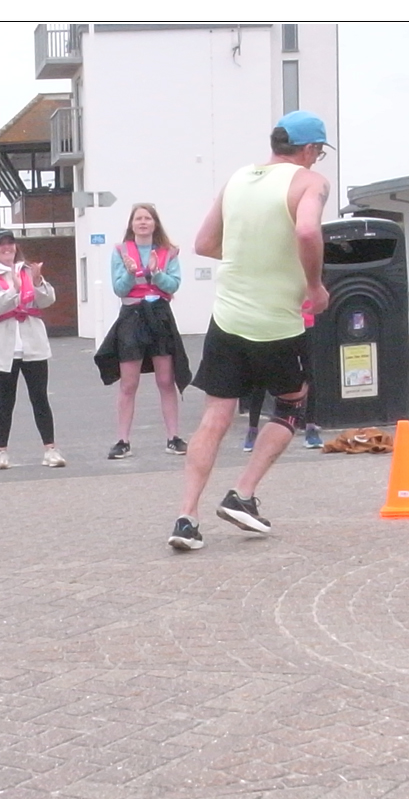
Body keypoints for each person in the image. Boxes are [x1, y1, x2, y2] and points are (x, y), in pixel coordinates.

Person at [168, 110, 332, 551]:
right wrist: (314, 285)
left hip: (227, 318)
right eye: (318, 152)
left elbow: (204, 244)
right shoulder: (309, 183)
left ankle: (186, 517)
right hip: (276, 321)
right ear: (311, 149)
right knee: (293, 404)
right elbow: (306, 228)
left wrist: (251, 255)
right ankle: (242, 495)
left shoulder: (238, 178)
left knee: (215, 416)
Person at [93, 203, 192, 459]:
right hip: (132, 316)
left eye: (148, 218)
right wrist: (129, 273)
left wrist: (157, 273)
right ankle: (123, 440)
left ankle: (173, 437)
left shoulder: (168, 253)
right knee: (129, 383)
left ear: (155, 223)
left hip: (159, 316)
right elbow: (119, 289)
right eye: (139, 218)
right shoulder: (120, 252)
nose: (143, 222)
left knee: (165, 380)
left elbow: (174, 285)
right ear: (132, 224)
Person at [0, 229, 65, 470]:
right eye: (1, 244)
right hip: (4, 347)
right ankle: (1, 452)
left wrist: (37, 282)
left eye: (10, 243)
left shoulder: (27, 270)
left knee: (40, 398)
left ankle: (50, 450)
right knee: (5, 400)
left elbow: (47, 300)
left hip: (32, 343)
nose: (7, 248)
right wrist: (12, 291)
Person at [241, 301, 323, 452]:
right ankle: (253, 430)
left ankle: (310, 427)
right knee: (260, 375)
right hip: (275, 323)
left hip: (304, 321)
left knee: (309, 374)